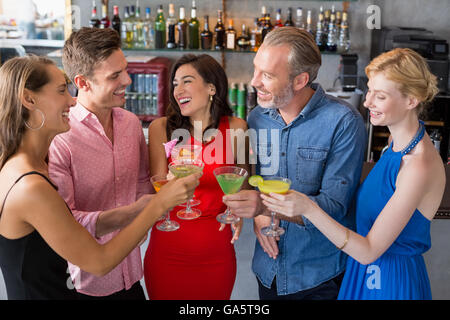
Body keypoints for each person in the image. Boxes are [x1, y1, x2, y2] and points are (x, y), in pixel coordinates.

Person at [0, 55, 200, 300]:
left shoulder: (23, 165)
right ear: (29, 99)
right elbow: (99, 261)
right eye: (62, 90)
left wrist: (138, 209)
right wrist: (159, 203)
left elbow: (68, 231)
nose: (71, 101)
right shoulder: (30, 186)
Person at [261, 48, 445, 300]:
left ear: (411, 100)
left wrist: (308, 208)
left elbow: (369, 251)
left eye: (379, 96)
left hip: (390, 283)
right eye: (369, 90)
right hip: (362, 274)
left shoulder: (418, 165)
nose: (367, 102)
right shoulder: (395, 142)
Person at [223, 27, 367, 300]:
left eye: (267, 75)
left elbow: (335, 207)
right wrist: (260, 214)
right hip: (268, 271)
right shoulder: (257, 118)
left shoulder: (343, 122)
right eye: (256, 70)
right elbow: (256, 182)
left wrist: (263, 205)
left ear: (300, 80)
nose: (254, 82)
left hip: (319, 278)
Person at [47, 27, 151, 299]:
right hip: (87, 286)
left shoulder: (131, 124)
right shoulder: (60, 138)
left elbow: (142, 180)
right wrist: (134, 215)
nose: (127, 79)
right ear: (82, 82)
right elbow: (64, 221)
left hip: (133, 277)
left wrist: (141, 218)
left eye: (125, 69)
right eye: (115, 75)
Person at [144, 54, 250, 300]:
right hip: (169, 246)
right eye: (175, 83)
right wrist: (172, 177)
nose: (177, 90)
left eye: (187, 81)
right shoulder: (162, 128)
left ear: (211, 87)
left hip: (217, 250)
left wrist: (238, 209)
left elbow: (242, 186)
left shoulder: (237, 128)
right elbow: (157, 189)